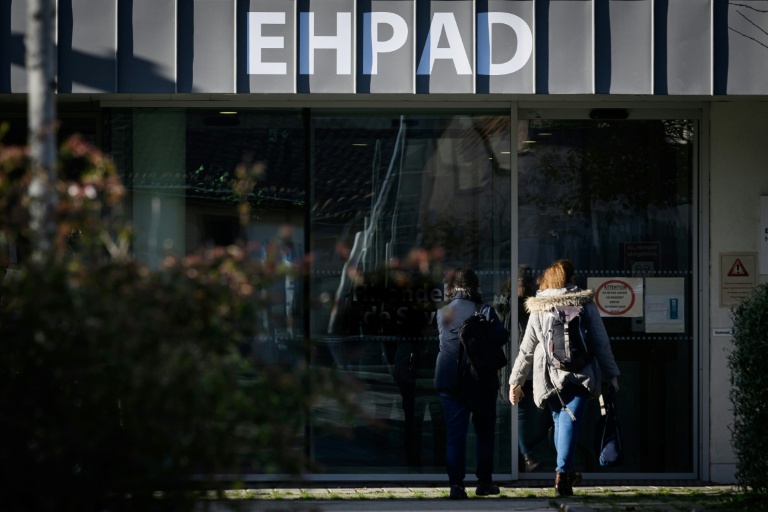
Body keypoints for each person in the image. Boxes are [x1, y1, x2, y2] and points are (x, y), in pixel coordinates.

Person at [508, 259, 620, 496]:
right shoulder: (584, 303)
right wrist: (612, 374)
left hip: (549, 376)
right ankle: (562, 475)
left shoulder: (539, 306)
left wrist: (516, 380)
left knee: (561, 419)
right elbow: (601, 342)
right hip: (581, 373)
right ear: (571, 279)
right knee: (569, 420)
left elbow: (527, 349)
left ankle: (565, 472)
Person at [434, 267, 508, 499]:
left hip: (450, 379)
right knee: (484, 433)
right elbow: (502, 337)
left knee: (455, 435)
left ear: (453, 287)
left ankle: (456, 486)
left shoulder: (443, 312)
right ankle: (484, 482)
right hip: (481, 379)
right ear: (475, 286)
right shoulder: (484, 310)